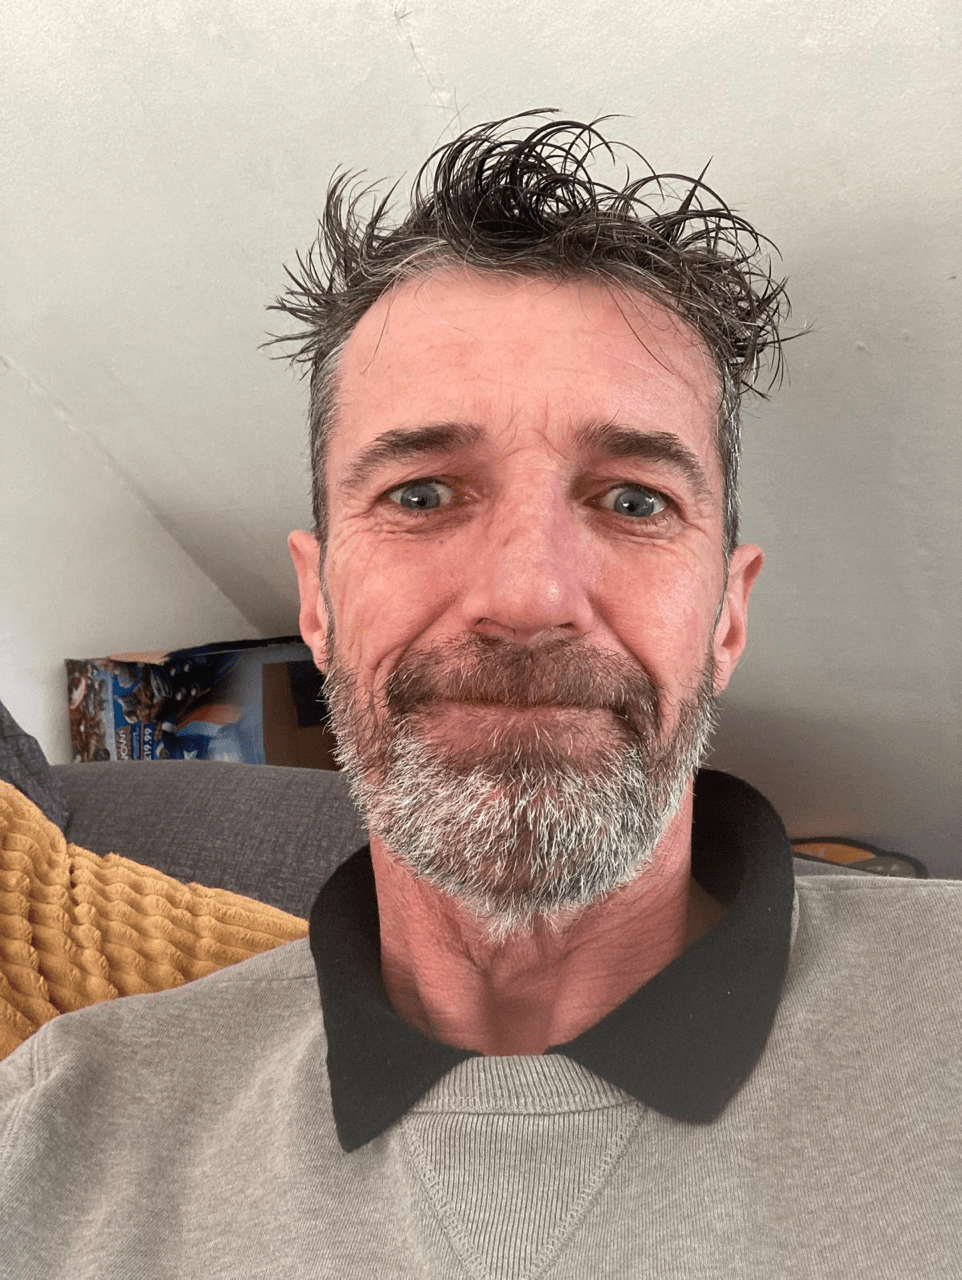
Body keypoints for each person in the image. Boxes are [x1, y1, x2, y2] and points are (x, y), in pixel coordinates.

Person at [2, 112, 960, 1278]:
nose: (526, 594)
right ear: (317, 602)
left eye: (632, 499)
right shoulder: (55, 1133)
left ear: (725, 613)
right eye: (420, 495)